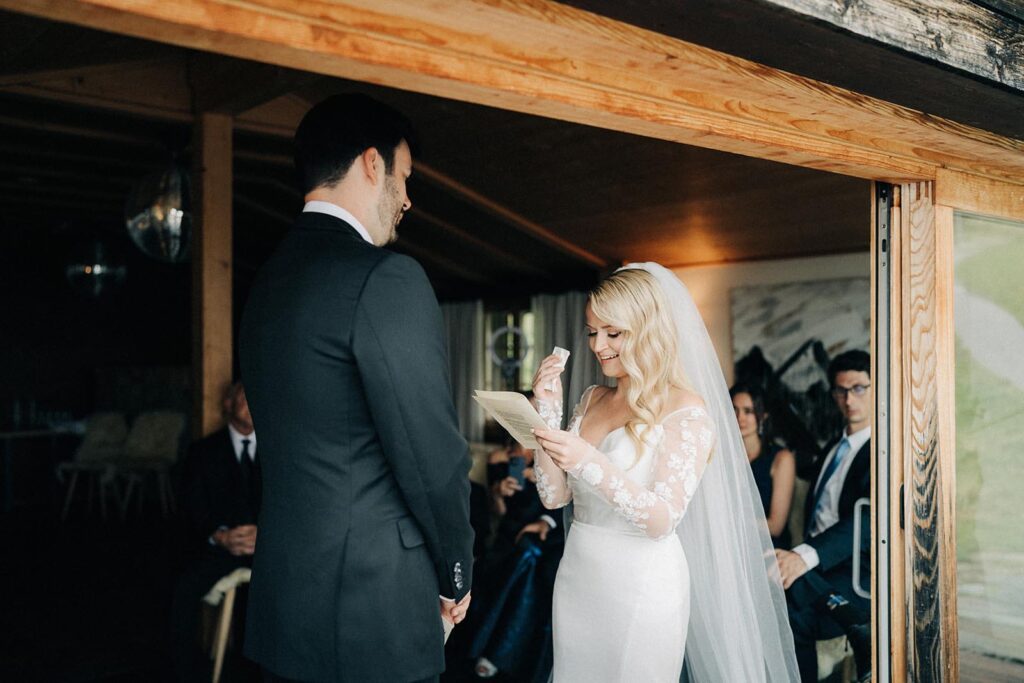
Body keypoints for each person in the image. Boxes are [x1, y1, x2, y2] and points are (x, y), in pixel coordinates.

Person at [239, 94, 474, 683]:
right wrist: (456, 572)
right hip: (372, 612)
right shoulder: (384, 277)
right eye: (406, 177)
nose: (408, 199)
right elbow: (430, 457)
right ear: (373, 164)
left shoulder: (266, 283)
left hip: (285, 603)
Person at [531, 264, 798, 682]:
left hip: (642, 583)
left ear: (647, 329)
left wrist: (587, 458)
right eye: (591, 331)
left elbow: (661, 519)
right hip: (579, 574)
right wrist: (546, 410)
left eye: (612, 333)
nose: (598, 345)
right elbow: (554, 496)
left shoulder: (686, 410)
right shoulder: (591, 398)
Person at [775, 350, 872, 683]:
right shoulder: (832, 447)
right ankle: (851, 623)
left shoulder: (885, 450)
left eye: (859, 388)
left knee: (783, 605)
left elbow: (868, 520)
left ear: (876, 389)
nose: (849, 399)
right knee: (777, 593)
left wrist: (803, 557)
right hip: (819, 570)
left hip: (853, 571)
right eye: (841, 390)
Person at [170, 382, 261, 682]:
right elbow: (190, 508)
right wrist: (220, 535)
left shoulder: (278, 452)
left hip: (268, 551)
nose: (251, 403)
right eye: (243, 397)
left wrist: (265, 536)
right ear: (227, 404)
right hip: (221, 549)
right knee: (181, 589)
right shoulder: (203, 451)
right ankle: (183, 674)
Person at [468, 438, 563, 682]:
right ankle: (494, 649)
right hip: (509, 531)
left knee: (527, 555)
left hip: (542, 530)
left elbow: (563, 503)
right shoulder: (498, 458)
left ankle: (498, 652)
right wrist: (499, 493)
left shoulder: (552, 455)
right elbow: (497, 512)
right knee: (519, 554)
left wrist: (544, 520)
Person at [730, 382, 796, 548]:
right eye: (734, 410)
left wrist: (728, 520)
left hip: (767, 550)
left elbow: (775, 526)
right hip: (731, 545)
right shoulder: (724, 457)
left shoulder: (782, 458)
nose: (740, 418)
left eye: (748, 411)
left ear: (763, 415)